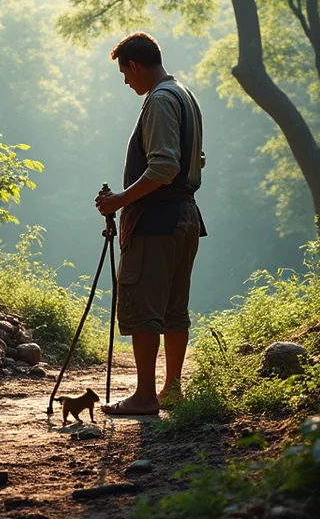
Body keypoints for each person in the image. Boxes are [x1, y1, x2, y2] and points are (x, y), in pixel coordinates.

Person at [94, 32, 205, 416]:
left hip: (157, 221)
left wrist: (118, 200)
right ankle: (172, 389)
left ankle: (144, 397)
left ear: (135, 65)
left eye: (125, 74)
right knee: (175, 309)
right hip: (187, 217)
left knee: (144, 306)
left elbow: (163, 165)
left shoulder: (158, 100)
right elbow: (195, 159)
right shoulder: (184, 95)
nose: (127, 82)